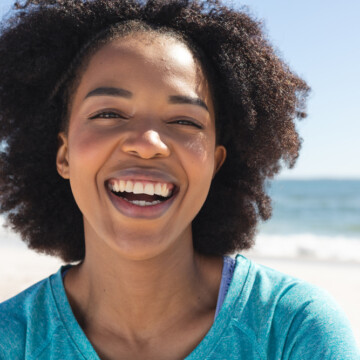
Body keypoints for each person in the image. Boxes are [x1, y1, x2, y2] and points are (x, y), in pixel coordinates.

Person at [0, 0, 358, 359]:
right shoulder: (12, 339)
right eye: (109, 113)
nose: (147, 143)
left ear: (215, 162)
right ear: (64, 155)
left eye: (185, 121)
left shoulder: (295, 330)